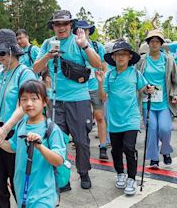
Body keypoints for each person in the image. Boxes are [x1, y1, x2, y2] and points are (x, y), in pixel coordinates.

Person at [33, 10, 101, 190]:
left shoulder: (79, 41)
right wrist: (48, 55)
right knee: (57, 140)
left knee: (80, 140)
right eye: (57, 24)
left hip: (79, 99)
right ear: (53, 26)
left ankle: (84, 172)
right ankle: (63, 178)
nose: (61, 27)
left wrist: (85, 45)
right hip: (55, 100)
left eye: (65, 24)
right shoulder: (48, 43)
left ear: (71, 25)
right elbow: (35, 68)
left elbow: (97, 64)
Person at [0, 29, 36, 208]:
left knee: (19, 187)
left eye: (3, 53)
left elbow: (25, 106)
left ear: (13, 49)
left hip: (15, 136)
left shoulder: (25, 73)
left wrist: (6, 129)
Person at [96, 40, 152, 196]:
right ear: (113, 57)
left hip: (131, 119)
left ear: (129, 57)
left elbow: (144, 89)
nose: (120, 57)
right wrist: (100, 83)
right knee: (116, 150)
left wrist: (149, 89)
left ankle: (132, 178)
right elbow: (102, 97)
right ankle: (120, 173)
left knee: (129, 148)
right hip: (114, 121)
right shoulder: (109, 75)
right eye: (117, 54)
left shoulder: (135, 73)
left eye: (123, 54)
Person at [0, 80, 66, 208]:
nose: (28, 103)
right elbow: (13, 147)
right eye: (24, 99)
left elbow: (58, 160)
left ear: (45, 102)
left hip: (43, 194)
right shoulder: (21, 124)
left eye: (34, 99)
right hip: (21, 189)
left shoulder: (51, 129)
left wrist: (40, 146)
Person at [136, 29, 177, 167]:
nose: (154, 44)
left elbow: (175, 80)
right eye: (152, 41)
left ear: (161, 44)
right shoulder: (142, 60)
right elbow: (136, 79)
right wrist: (144, 88)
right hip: (148, 102)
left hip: (164, 102)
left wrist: (175, 94)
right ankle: (153, 157)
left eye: (157, 41)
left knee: (165, 128)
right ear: (148, 43)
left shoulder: (168, 59)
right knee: (152, 129)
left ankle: (165, 151)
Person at [73, 20, 109, 160]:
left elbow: (104, 66)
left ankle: (103, 146)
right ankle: (82, 143)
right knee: (82, 120)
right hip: (79, 89)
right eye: (79, 30)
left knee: (99, 116)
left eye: (85, 30)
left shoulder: (97, 46)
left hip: (95, 87)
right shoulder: (73, 47)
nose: (82, 32)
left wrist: (103, 84)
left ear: (89, 31)